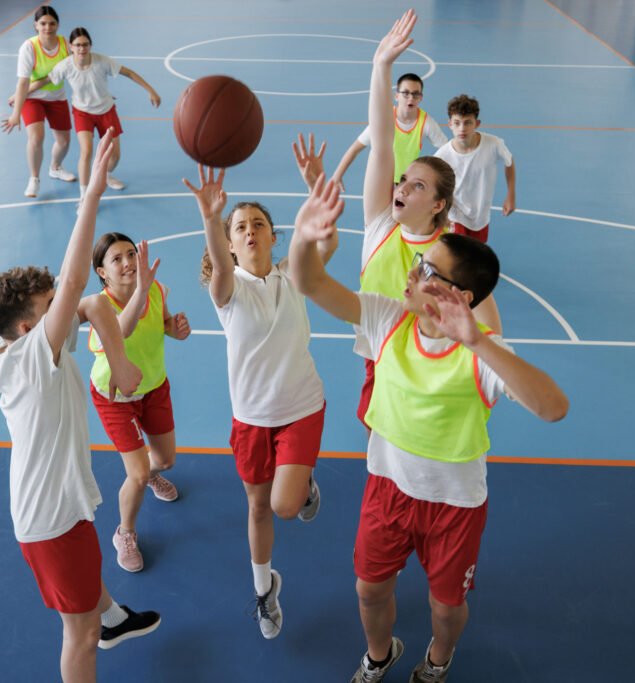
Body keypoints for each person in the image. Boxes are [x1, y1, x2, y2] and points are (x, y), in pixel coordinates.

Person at [290, 171, 568, 682]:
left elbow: (553, 408)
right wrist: (304, 238)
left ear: (458, 295)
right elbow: (308, 283)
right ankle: (379, 655)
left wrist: (480, 342)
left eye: (427, 270)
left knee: (445, 608)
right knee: (369, 590)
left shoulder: (482, 351)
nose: (413, 274)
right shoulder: (387, 318)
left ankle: (439, 658)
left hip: (454, 506)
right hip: (387, 491)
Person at [0, 130, 160, 683]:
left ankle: (113, 616)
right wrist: (92, 196)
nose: (62, 305)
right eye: (48, 306)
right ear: (31, 327)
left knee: (87, 578)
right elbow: (81, 280)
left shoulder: (9, 346)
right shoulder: (34, 357)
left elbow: (84, 300)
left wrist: (119, 351)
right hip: (50, 521)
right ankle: (99, 624)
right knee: (77, 638)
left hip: (52, 511)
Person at [182, 134, 336, 640]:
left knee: (284, 506)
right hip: (251, 417)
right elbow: (221, 268)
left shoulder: (295, 275)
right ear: (229, 242)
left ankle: (303, 481)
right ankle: (265, 589)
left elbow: (327, 241)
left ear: (274, 236)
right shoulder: (226, 292)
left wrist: (316, 182)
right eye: (240, 227)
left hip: (301, 406)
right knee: (255, 505)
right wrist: (210, 217)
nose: (250, 231)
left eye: (259, 225)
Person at [351, 13, 501, 432]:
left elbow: (490, 321)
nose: (400, 187)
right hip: (379, 345)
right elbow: (381, 143)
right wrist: (380, 68)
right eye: (403, 180)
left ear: (438, 204)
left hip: (428, 351)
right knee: (373, 425)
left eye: (416, 186)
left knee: (416, 430)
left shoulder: (454, 250)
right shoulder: (381, 223)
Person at [82, 232, 190, 573]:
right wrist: (141, 290)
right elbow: (124, 330)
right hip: (115, 398)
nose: (128, 262)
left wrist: (176, 328)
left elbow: (162, 324)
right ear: (102, 272)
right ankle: (124, 533)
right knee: (139, 472)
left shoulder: (157, 290)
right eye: (117, 259)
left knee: (166, 461)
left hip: (155, 387)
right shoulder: (99, 308)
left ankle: (149, 475)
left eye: (131, 254)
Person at [28, 26, 162, 196]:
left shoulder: (102, 61)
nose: (81, 48)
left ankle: (105, 174)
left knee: (115, 157)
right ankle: (85, 196)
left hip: (106, 110)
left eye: (85, 44)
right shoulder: (65, 66)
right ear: (71, 46)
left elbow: (128, 72)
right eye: (77, 45)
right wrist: (21, 94)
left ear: (90, 45)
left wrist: (151, 90)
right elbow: (44, 80)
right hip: (83, 113)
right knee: (87, 151)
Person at [1, 6, 76, 198]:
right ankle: (34, 179)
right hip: (32, 99)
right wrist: (16, 113)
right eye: (43, 23)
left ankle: (55, 168)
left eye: (52, 23)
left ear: (57, 24)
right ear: (36, 25)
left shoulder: (66, 45)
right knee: (36, 137)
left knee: (64, 140)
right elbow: (23, 81)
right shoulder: (29, 47)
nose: (47, 27)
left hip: (57, 97)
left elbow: (70, 73)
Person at [331, 73, 448, 189]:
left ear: (421, 98)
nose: (411, 98)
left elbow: (447, 149)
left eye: (415, 94)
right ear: (397, 96)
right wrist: (337, 175)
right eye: (406, 93)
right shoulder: (384, 119)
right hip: (381, 178)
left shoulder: (426, 122)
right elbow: (355, 148)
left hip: (407, 183)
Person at [433, 94, 516, 243]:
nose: (462, 128)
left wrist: (511, 194)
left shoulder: (493, 144)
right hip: (455, 214)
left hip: (480, 215)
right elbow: (434, 185)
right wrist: (442, 213)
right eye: (457, 123)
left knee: (475, 255)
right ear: (449, 124)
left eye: (467, 123)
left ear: (477, 123)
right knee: (458, 256)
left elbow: (509, 162)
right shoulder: (442, 155)